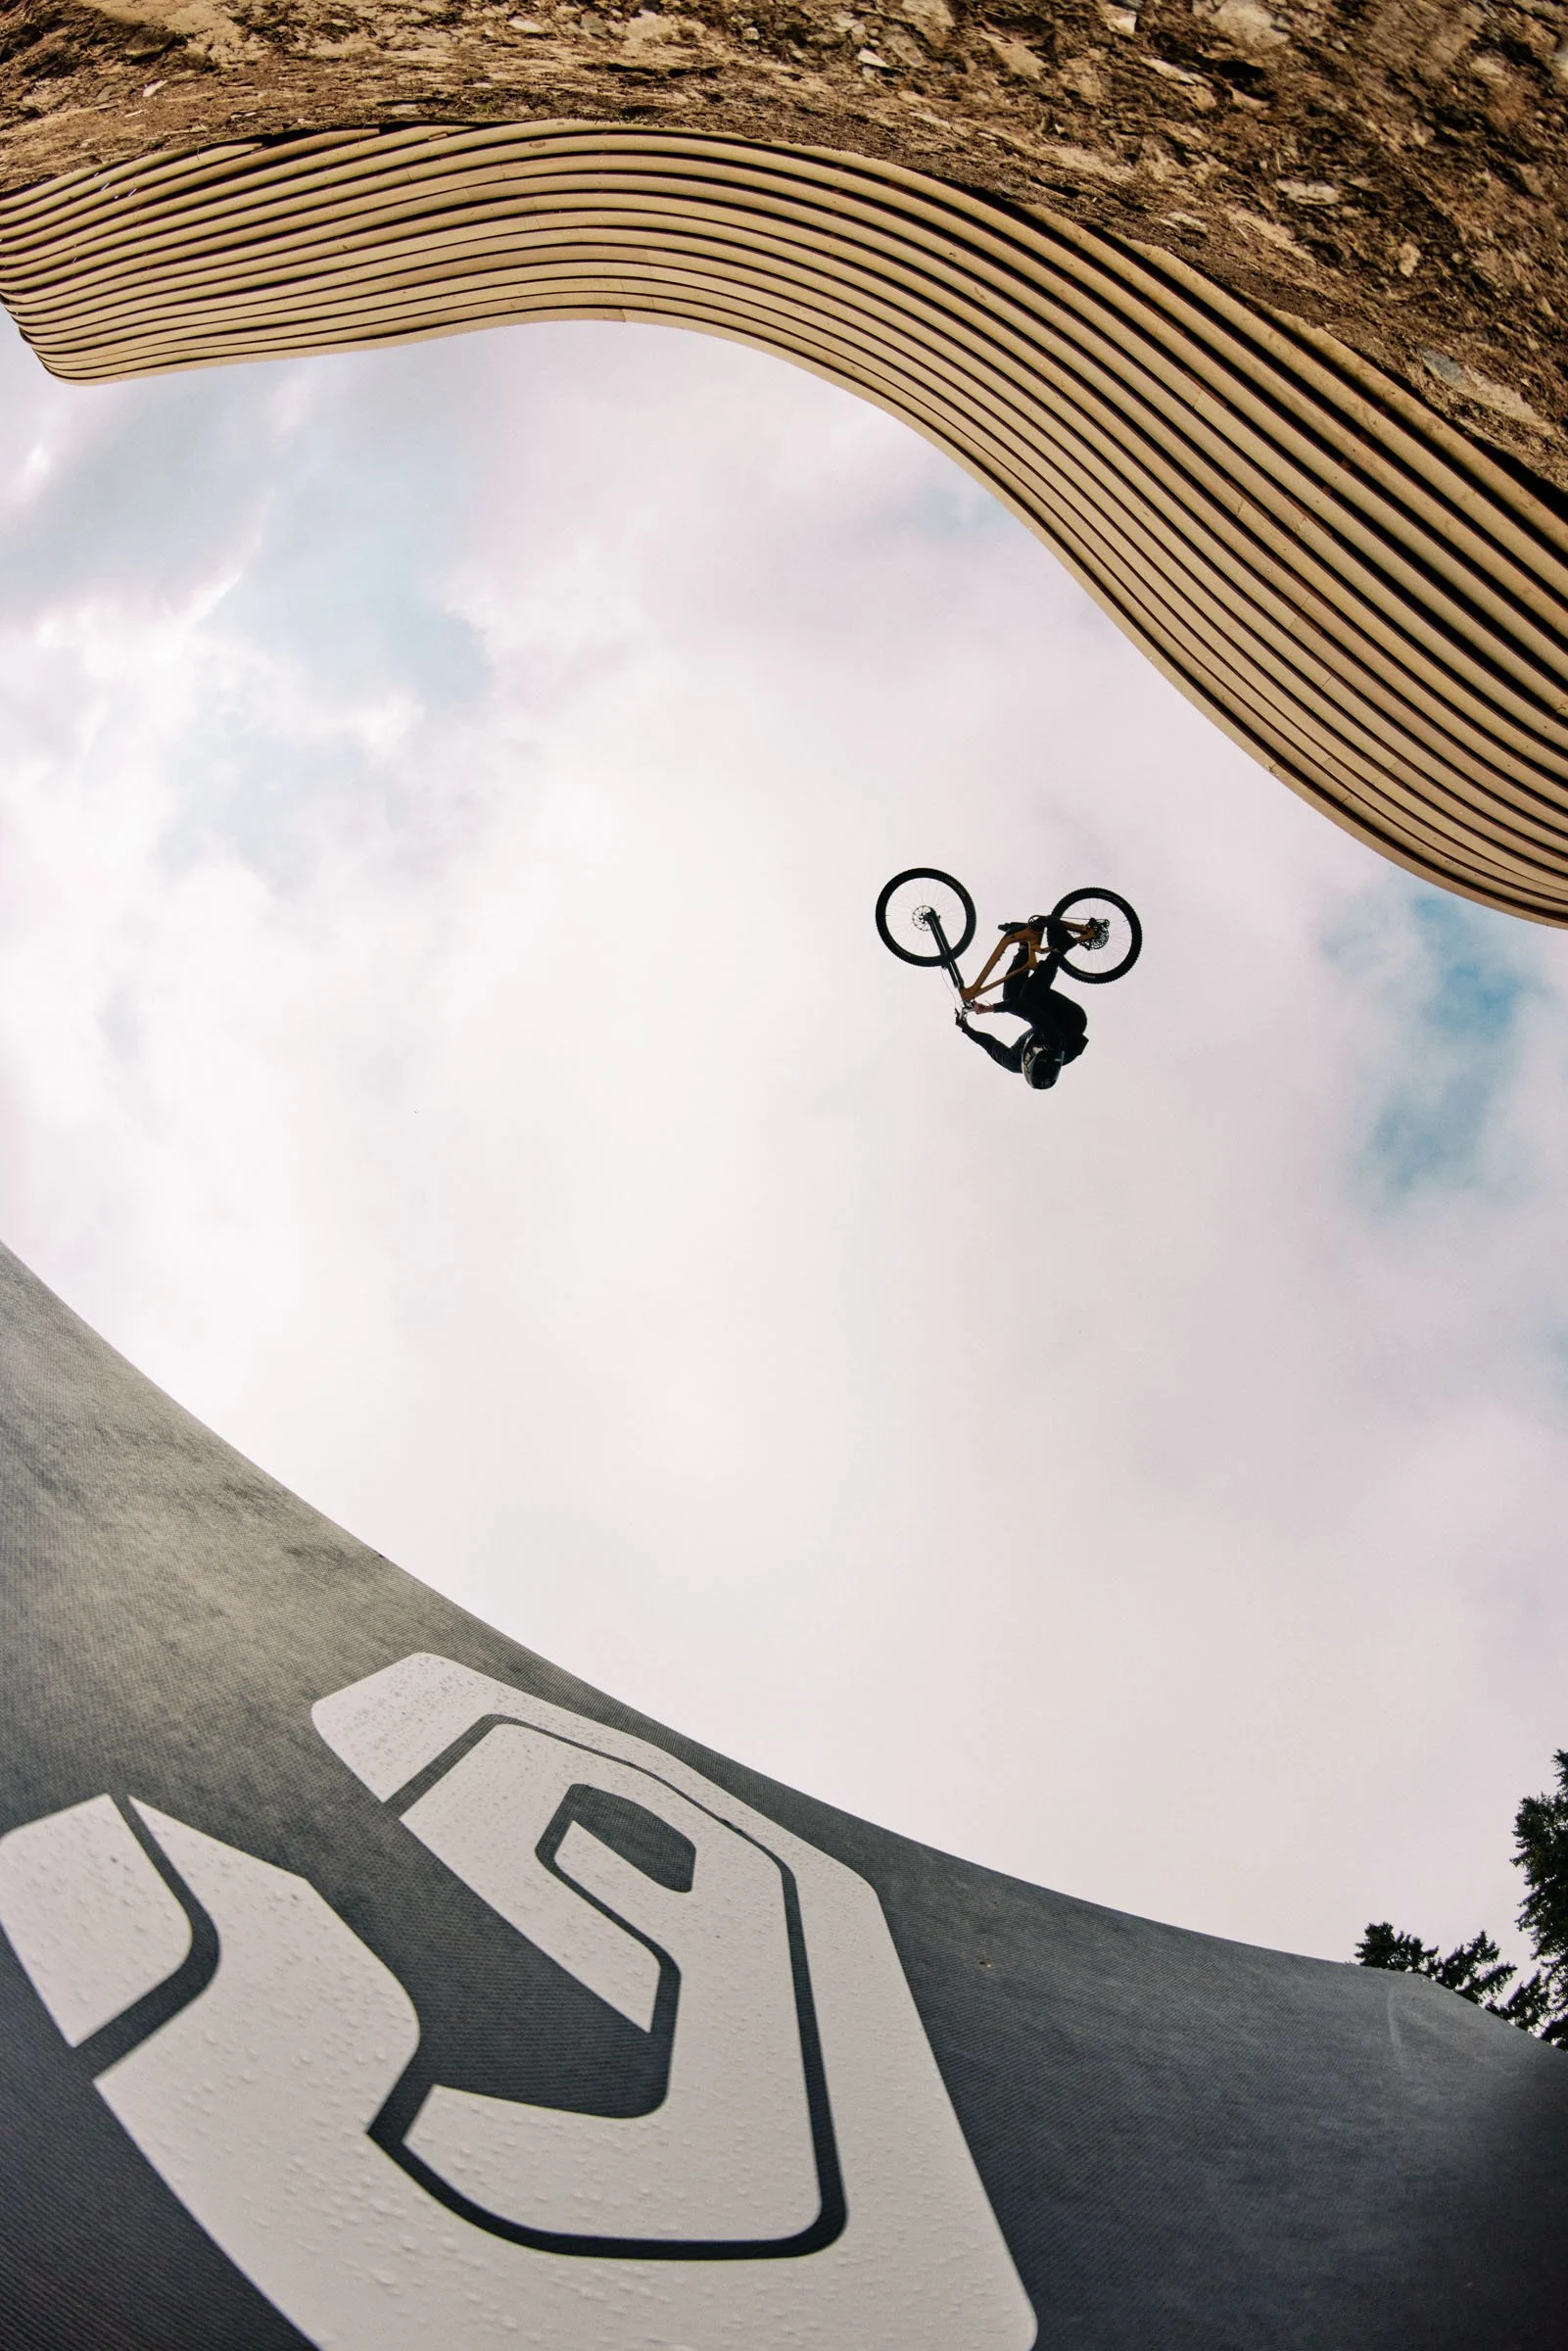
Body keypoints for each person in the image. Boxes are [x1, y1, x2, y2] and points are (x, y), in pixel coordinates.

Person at [957, 916, 1087, 1089]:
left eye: (1034, 1051)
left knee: (1011, 996)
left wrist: (966, 1029)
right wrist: (990, 1009)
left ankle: (1025, 941)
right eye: (1040, 1050)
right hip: (1071, 1020)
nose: (1037, 1047)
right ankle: (1060, 947)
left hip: (1049, 1020)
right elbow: (1026, 1009)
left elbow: (991, 1046)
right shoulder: (1053, 1041)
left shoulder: (1012, 1061)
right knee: (1029, 996)